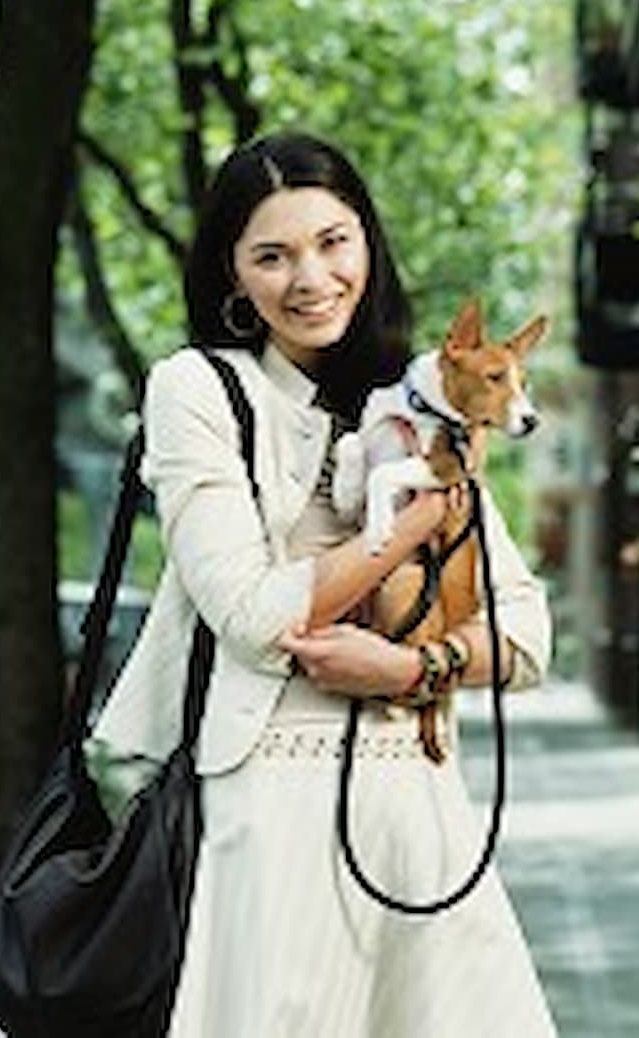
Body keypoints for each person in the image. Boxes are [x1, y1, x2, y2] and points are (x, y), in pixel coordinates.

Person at [92, 132, 556, 1037]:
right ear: (233, 277)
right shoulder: (199, 390)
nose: (311, 278)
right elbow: (254, 616)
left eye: (333, 242)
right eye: (272, 256)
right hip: (268, 808)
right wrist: (414, 522)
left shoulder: (421, 402)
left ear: (367, 247)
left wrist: (409, 669)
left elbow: (527, 634)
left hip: (420, 806)